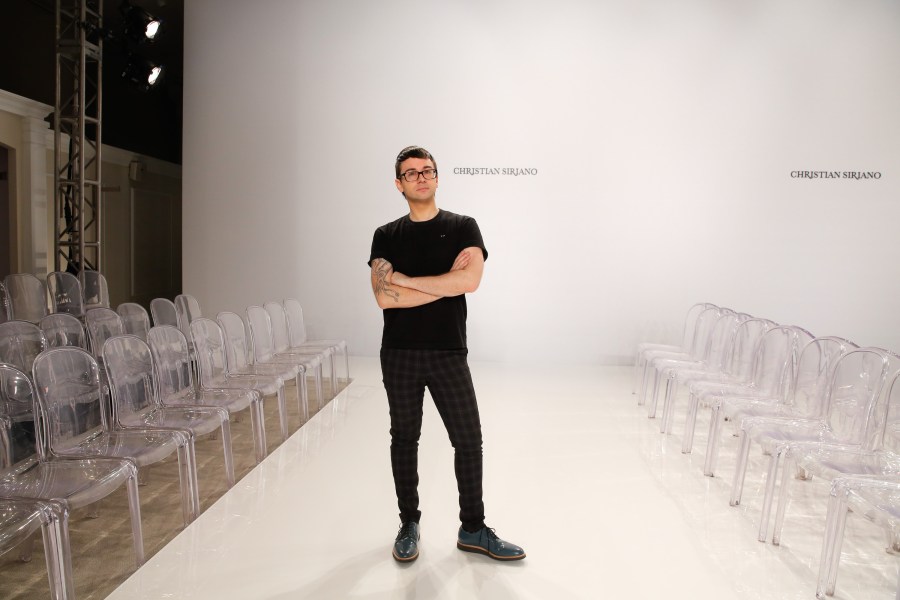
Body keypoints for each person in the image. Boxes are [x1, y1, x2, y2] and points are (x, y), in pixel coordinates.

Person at [368, 145, 525, 563]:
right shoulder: (386, 234)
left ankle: (472, 528)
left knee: (468, 441)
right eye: (411, 172)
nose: (421, 177)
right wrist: (443, 281)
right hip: (399, 353)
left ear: (437, 178)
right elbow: (384, 297)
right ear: (398, 184)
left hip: (449, 352)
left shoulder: (463, 227)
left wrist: (407, 281)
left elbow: (469, 282)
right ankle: (409, 523)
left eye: (428, 170)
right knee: (404, 440)